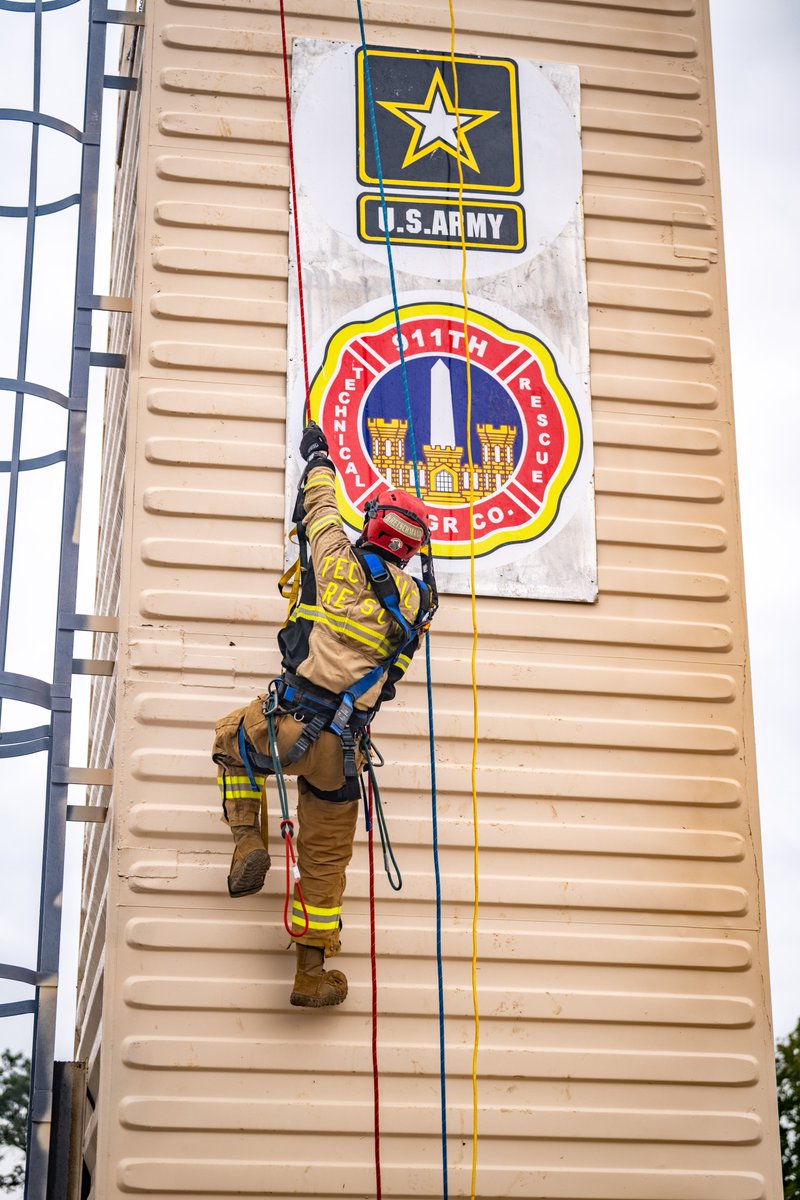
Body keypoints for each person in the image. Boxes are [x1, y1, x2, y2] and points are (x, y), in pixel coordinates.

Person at [211, 422, 437, 1008]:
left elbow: (319, 505)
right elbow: (393, 681)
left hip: (287, 722)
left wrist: (320, 455)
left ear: (372, 523)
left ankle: (245, 842)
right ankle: (311, 974)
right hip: (343, 755)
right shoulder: (417, 602)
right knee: (326, 863)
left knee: (230, 742)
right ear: (411, 546)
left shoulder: (337, 559)